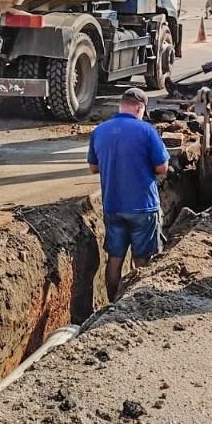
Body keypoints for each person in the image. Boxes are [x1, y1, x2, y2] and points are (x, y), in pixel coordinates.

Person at [87, 87, 170, 300]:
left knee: (114, 260)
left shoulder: (100, 130)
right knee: (141, 261)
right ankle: (135, 301)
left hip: (113, 207)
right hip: (143, 206)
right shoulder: (147, 130)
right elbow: (162, 168)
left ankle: (113, 302)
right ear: (140, 107)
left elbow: (93, 168)